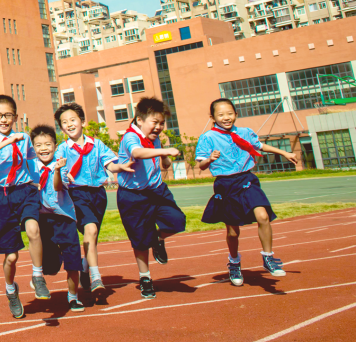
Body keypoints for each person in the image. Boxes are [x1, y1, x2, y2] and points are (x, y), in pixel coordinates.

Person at [196, 98, 297, 285]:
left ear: (236, 114)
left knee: (263, 216)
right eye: (221, 115)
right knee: (233, 232)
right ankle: (234, 262)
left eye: (230, 113)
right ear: (213, 117)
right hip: (226, 184)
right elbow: (201, 165)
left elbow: (260, 146)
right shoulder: (208, 137)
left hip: (247, 179)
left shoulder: (245, 132)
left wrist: (285, 153)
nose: (226, 117)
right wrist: (209, 159)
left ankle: (268, 257)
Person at [0, 94, 46, 319]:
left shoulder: (24, 138)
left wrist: (41, 177)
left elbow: (33, 159)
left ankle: (37, 276)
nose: (3, 119)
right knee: (11, 257)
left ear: (15, 116)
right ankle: (11, 289)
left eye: (7, 115)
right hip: (2, 197)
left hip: (25, 191)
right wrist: (8, 141)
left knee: (33, 230)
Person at [54, 102, 132, 297]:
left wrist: (122, 167)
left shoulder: (97, 145)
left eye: (73, 120)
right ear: (61, 128)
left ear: (82, 121)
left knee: (93, 235)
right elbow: (58, 172)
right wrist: (65, 175)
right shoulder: (62, 149)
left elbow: (110, 164)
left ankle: (85, 266)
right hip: (76, 194)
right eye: (64, 122)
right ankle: (96, 277)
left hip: (98, 195)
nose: (69, 124)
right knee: (91, 229)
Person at [117, 97, 187, 300]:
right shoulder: (130, 137)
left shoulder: (155, 139)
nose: (159, 127)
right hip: (133, 195)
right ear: (139, 120)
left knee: (177, 221)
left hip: (157, 191)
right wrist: (164, 150)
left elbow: (164, 163)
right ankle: (145, 277)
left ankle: (157, 239)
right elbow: (138, 153)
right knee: (140, 240)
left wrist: (164, 156)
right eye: (154, 122)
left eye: (162, 123)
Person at [30, 125, 85, 313]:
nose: (43, 148)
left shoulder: (61, 164)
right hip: (43, 220)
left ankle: (73, 297)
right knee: (50, 267)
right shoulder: (31, 167)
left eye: (48, 144)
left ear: (55, 145)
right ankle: (39, 276)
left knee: (72, 261)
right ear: (33, 148)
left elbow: (58, 187)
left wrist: (57, 171)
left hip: (64, 218)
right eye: (38, 145)